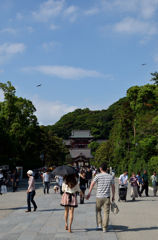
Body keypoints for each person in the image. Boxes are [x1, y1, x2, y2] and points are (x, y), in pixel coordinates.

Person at [86, 163, 115, 233]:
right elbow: (113, 186)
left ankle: (99, 224)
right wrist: (113, 196)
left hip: (99, 196)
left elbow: (92, 184)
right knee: (106, 212)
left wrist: (89, 193)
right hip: (107, 197)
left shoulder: (97, 176)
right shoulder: (110, 176)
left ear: (101, 169)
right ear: (107, 169)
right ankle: (104, 228)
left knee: (98, 210)